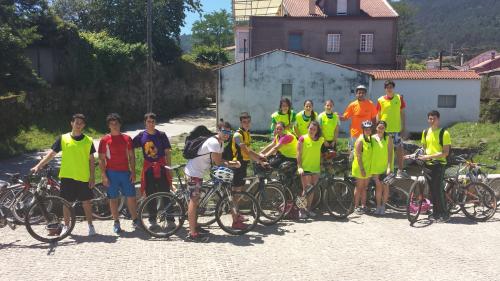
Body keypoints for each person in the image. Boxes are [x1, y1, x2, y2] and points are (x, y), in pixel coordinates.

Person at [31, 113, 97, 236]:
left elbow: (91, 160)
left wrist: (92, 176)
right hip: (67, 176)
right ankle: (66, 227)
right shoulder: (63, 138)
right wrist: (38, 166)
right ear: (71, 123)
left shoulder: (88, 140)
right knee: (66, 203)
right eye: (76, 122)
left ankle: (90, 226)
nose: (78, 125)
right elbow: (51, 154)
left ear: (84, 125)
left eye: (81, 123)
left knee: (87, 203)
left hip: (83, 176)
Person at [184, 121, 240, 242]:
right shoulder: (214, 142)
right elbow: (218, 162)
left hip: (197, 172)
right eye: (224, 132)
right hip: (194, 173)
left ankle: (195, 225)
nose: (226, 135)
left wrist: (230, 163)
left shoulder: (220, 143)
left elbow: (218, 160)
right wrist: (233, 164)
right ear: (218, 131)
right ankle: (192, 234)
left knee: (197, 199)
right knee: (194, 200)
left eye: (229, 132)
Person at [98, 113, 138, 233]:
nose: (114, 126)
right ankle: (116, 222)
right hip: (111, 173)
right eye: (112, 124)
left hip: (125, 172)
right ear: (109, 126)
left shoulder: (127, 138)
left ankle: (135, 220)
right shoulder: (105, 140)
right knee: (113, 199)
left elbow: (132, 156)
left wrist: (133, 171)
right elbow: (101, 159)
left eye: (116, 123)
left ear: (120, 124)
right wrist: (104, 175)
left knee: (131, 197)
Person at [132, 112, 172, 229]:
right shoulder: (141, 136)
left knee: (165, 192)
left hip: (161, 166)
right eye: (148, 121)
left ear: (155, 122)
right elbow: (129, 146)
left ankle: (170, 218)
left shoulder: (161, 135)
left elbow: (167, 152)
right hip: (149, 168)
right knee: (150, 194)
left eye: (153, 121)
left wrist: (169, 168)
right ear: (145, 122)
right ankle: (152, 220)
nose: (151, 124)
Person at [230, 112, 267, 226]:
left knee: (239, 192)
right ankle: (235, 221)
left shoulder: (247, 133)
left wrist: (257, 160)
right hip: (237, 165)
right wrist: (260, 159)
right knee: (236, 194)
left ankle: (237, 215)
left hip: (243, 164)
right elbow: (246, 151)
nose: (246, 124)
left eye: (248, 122)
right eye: (244, 122)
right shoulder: (238, 135)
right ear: (240, 122)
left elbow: (249, 151)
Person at [417, 110, 451, 222]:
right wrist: (415, 155)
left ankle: (444, 214)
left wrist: (428, 156)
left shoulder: (444, 133)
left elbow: (445, 152)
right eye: (430, 119)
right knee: (432, 190)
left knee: (438, 189)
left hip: (439, 164)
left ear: (438, 119)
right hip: (428, 164)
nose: (432, 121)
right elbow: (423, 148)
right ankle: (436, 213)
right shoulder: (425, 132)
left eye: (434, 118)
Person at [376, 80, 407, 178]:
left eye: (391, 87)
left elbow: (402, 113)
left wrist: (404, 126)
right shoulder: (380, 100)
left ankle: (400, 171)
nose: (389, 89)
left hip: (396, 129)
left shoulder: (399, 98)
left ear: (393, 88)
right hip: (384, 130)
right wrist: (378, 127)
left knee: (399, 149)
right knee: (384, 151)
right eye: (387, 87)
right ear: (385, 89)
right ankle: (385, 170)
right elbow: (378, 114)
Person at [296, 121, 324, 219]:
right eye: (310, 128)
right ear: (308, 128)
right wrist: (299, 166)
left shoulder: (321, 140)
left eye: (314, 129)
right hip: (305, 168)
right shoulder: (302, 139)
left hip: (315, 168)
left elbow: (320, 152)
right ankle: (301, 210)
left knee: (312, 190)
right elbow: (298, 153)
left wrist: (321, 164)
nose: (312, 131)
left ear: (317, 131)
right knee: (306, 190)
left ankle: (308, 209)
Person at [340, 85, 377, 151]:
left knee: (366, 153)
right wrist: (336, 116)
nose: (361, 94)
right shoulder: (352, 105)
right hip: (355, 134)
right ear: (356, 94)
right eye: (359, 93)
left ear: (365, 94)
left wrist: (373, 131)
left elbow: (374, 119)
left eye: (363, 93)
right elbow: (345, 117)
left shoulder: (370, 104)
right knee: (354, 152)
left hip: (367, 134)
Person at [370, 120, 393, 215]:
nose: (380, 129)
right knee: (378, 187)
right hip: (375, 167)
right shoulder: (371, 138)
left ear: (385, 129)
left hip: (385, 166)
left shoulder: (388, 138)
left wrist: (388, 167)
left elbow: (390, 153)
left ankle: (383, 206)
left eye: (382, 128)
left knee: (385, 187)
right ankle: (378, 206)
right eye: (379, 127)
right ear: (376, 128)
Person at [351, 121, 373, 214]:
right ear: (363, 130)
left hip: (368, 167)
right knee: (359, 187)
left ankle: (363, 205)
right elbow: (358, 156)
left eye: (369, 129)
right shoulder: (360, 140)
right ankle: (356, 206)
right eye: (366, 129)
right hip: (360, 167)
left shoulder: (370, 139)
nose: (368, 131)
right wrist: (362, 169)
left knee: (365, 187)